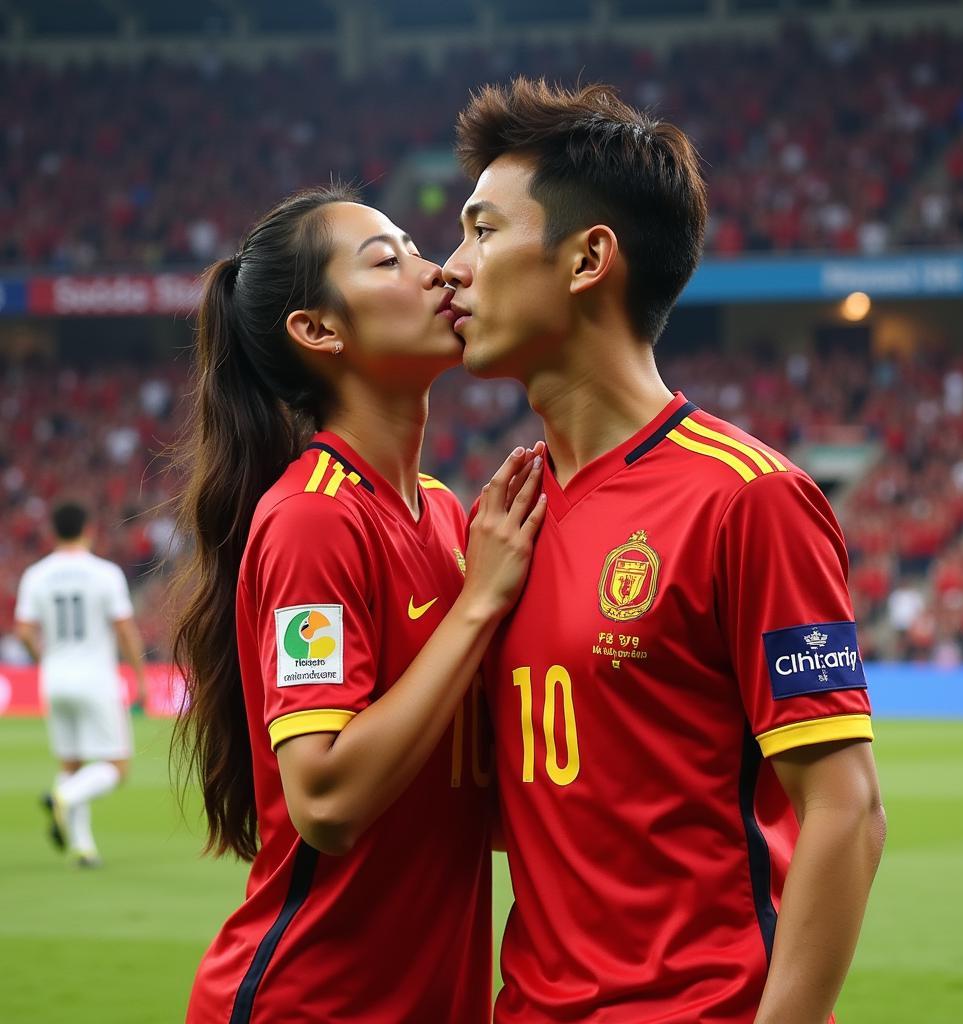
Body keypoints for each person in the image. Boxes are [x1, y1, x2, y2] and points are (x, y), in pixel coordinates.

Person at [443, 78, 887, 1024]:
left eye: (482, 231)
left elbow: (845, 813)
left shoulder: (749, 499)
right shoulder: (506, 518)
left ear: (587, 258)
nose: (451, 267)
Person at [171, 184, 546, 1023]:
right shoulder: (315, 518)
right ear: (318, 330)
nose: (437, 272)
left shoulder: (450, 516)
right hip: (314, 1003)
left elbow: (464, 799)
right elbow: (327, 801)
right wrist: (480, 603)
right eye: (390, 259)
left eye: (418, 248)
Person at [14, 500, 148, 869]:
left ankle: (84, 848)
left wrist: (44, 660)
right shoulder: (104, 573)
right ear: (88, 529)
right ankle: (64, 796)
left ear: (52, 532)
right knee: (116, 767)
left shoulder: (36, 574)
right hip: (95, 679)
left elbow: (24, 631)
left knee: (71, 762)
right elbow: (124, 630)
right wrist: (139, 677)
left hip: (55, 679)